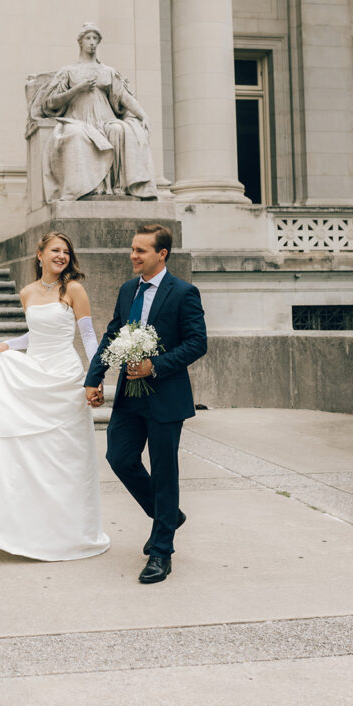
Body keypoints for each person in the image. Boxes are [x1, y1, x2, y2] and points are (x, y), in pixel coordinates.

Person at [0, 232, 110, 561]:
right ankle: (30, 528)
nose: (62, 256)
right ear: (39, 254)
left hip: (65, 378)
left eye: (66, 252)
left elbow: (86, 334)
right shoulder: (26, 293)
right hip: (35, 375)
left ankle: (73, 531)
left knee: (66, 457)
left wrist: (94, 377)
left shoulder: (74, 289)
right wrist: (9, 345)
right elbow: (36, 333)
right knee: (32, 455)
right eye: (55, 250)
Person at [85, 224, 207, 584]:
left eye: (141, 250)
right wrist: (94, 377)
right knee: (119, 457)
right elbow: (112, 334)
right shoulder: (127, 291)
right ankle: (166, 514)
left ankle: (161, 551)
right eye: (133, 249)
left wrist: (157, 365)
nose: (133, 256)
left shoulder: (184, 292)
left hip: (166, 397)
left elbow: (197, 343)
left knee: (165, 471)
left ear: (162, 254)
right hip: (128, 396)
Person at [39, 23, 157, 201]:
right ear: (81, 42)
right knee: (77, 135)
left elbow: (124, 97)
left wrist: (143, 115)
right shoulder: (69, 72)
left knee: (119, 130)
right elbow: (51, 102)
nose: (92, 43)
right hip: (77, 120)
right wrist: (78, 88)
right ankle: (87, 188)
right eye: (88, 38)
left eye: (95, 39)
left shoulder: (108, 72)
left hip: (105, 120)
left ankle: (116, 187)